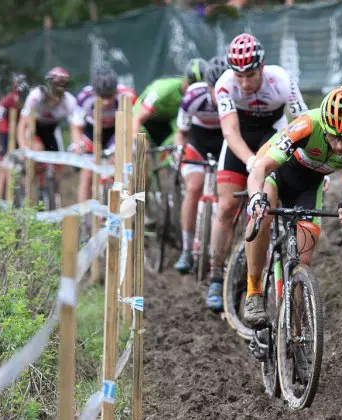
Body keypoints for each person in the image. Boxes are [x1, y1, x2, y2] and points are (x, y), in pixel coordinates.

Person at [243, 86, 342, 327]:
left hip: (309, 187)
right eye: (332, 137)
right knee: (262, 216)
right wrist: (255, 198)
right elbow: (261, 169)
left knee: (303, 260)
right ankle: (253, 292)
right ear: (323, 127)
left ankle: (295, 331)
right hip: (277, 172)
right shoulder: (306, 124)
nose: (338, 145)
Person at [206, 33, 308, 311]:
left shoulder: (282, 80)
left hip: (272, 136)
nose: (245, 83)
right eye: (239, 75)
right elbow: (230, 132)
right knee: (226, 205)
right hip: (240, 143)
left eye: (250, 75)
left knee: (265, 203)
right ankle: (216, 274)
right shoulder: (225, 85)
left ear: (262, 67)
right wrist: (251, 161)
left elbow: (303, 123)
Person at [173, 56, 230, 274]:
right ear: (207, 87)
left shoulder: (235, 96)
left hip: (224, 142)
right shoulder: (192, 97)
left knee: (224, 195)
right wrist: (179, 150)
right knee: (194, 187)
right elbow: (181, 133)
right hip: (198, 142)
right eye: (214, 89)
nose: (219, 94)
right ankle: (186, 250)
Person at [69, 66, 137, 203]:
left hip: (115, 131)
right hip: (92, 132)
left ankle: (128, 206)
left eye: (110, 96)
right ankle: (84, 216)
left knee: (120, 168)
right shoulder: (84, 98)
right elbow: (76, 127)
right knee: (87, 174)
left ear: (116, 90)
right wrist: (77, 145)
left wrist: (121, 149)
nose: (106, 102)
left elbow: (131, 125)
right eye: (102, 97)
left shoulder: (128, 95)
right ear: (95, 92)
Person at [17, 67, 77, 196]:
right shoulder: (36, 95)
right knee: (37, 151)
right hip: (34, 129)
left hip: (52, 131)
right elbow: (22, 124)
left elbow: (75, 128)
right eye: (55, 87)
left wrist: (76, 146)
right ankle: (27, 190)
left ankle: (54, 196)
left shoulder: (69, 101)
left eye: (62, 87)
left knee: (59, 165)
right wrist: (23, 147)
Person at [131, 58, 209, 148]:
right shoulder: (162, 90)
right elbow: (138, 118)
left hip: (167, 124)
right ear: (185, 79)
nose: (195, 90)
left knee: (179, 148)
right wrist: (136, 142)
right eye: (192, 85)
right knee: (140, 150)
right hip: (144, 120)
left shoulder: (201, 96)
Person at [0, 73, 30, 199]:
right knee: (3, 175)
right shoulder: (7, 101)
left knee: (25, 174)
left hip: (21, 137)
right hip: (5, 137)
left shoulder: (32, 100)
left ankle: (28, 204)